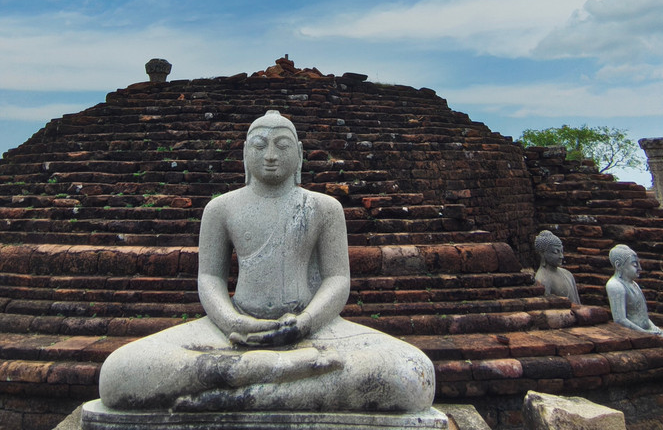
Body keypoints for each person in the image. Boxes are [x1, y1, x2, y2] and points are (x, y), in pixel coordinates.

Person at [96, 110, 436, 413]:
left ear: (299, 154)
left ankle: (235, 387)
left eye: (282, 145)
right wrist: (232, 321)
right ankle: (279, 376)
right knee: (118, 374)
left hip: (313, 331)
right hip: (233, 333)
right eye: (259, 145)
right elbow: (210, 279)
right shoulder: (221, 209)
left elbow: (337, 280)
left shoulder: (324, 208)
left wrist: (303, 324)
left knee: (410, 374)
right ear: (245, 154)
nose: (270, 155)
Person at [605, 244, 663, 346]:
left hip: (647, 329)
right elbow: (620, 319)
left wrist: (654, 327)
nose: (640, 268)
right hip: (635, 333)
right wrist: (645, 333)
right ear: (618, 265)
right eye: (635, 264)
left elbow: (641, 314)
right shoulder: (615, 285)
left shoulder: (634, 284)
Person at [533, 230, 580, 304]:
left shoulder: (568, 274)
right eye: (555, 252)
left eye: (561, 251)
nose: (561, 256)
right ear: (542, 254)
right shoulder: (542, 280)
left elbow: (577, 303)